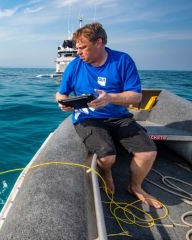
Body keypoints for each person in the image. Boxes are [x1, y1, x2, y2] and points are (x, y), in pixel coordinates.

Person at [55, 22, 161, 209]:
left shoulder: (122, 60)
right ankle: (108, 173)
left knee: (148, 153)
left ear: (99, 42)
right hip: (88, 118)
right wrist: (62, 102)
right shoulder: (75, 66)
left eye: (83, 48)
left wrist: (110, 98)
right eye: (77, 48)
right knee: (107, 157)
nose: (78, 52)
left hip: (119, 117)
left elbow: (136, 97)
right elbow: (61, 93)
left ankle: (135, 186)